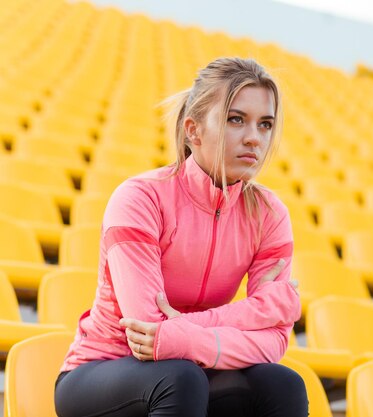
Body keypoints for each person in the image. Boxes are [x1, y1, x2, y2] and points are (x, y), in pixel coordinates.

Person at [54, 57, 308, 416]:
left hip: (195, 368)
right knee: (181, 377)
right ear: (194, 130)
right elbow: (146, 335)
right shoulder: (141, 198)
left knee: (282, 383)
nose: (254, 137)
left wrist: (188, 333)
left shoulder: (268, 214)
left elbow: (276, 340)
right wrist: (253, 313)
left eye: (265, 124)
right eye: (236, 119)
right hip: (102, 370)